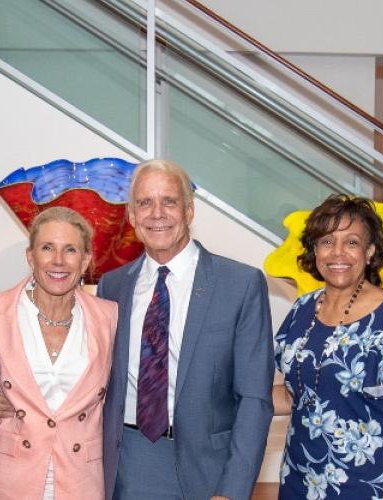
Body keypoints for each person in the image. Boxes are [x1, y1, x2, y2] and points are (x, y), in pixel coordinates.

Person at [99, 159, 273, 500]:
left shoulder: (240, 284)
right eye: (145, 203)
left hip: (208, 473)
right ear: (132, 217)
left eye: (169, 201)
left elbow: (254, 399)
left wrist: (233, 490)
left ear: (189, 211)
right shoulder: (112, 286)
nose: (157, 213)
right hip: (126, 466)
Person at [271, 195, 383, 500]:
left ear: (370, 251)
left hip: (371, 487)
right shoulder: (301, 310)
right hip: (300, 481)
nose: (338, 253)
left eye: (352, 242)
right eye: (327, 241)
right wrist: (231, 397)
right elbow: (296, 395)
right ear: (315, 250)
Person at [0, 207, 118, 499]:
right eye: (47, 248)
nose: (58, 261)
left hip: (81, 480)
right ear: (31, 256)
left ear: (86, 260)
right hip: (12, 479)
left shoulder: (109, 316)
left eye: (70, 250)